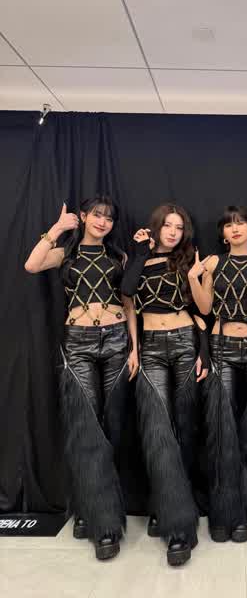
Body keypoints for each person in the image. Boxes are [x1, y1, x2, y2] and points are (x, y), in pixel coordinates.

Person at [25, 196, 138, 560]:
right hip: (78, 342)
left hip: (117, 340)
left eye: (109, 218)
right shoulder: (67, 254)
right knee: (86, 428)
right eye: (97, 215)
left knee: (112, 426)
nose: (103, 222)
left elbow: (129, 304)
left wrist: (135, 348)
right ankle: (94, 516)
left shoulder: (119, 257)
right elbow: (31, 264)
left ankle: (102, 507)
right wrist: (58, 228)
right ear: (85, 217)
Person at [121, 203, 209, 566]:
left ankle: (179, 513)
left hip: (186, 341)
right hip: (153, 348)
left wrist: (204, 351)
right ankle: (165, 506)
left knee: (185, 427)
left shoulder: (189, 259)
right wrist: (141, 253)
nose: (173, 232)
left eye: (179, 227)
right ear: (155, 227)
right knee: (158, 430)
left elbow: (204, 310)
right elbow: (126, 291)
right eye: (167, 226)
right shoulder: (139, 257)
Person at [188, 206, 247, 542]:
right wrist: (194, 277)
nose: (235, 228)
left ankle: (242, 510)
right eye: (228, 225)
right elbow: (205, 308)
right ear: (223, 234)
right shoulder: (213, 262)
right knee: (222, 430)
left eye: (241, 223)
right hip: (222, 345)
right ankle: (222, 510)